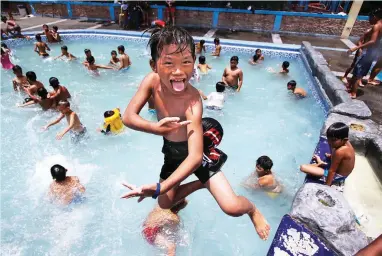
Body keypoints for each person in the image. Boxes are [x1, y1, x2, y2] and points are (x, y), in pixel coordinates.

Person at [120, 26, 270, 240]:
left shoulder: (192, 101)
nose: (179, 71)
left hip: (197, 153)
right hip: (172, 152)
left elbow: (194, 156)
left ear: (194, 62)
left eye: (186, 62)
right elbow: (128, 117)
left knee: (232, 207)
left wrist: (160, 186)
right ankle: (202, 184)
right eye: (169, 63)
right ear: (154, 66)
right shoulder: (151, 81)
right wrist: (155, 128)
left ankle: (252, 209)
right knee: (164, 203)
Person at [300, 122, 355, 186]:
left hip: (337, 176)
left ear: (345, 140)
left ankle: (320, 163)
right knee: (333, 144)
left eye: (333, 140)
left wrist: (326, 187)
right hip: (342, 173)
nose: (329, 142)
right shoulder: (345, 142)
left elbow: (332, 171)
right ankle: (322, 162)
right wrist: (332, 155)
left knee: (303, 167)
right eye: (328, 139)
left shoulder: (340, 152)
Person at [347, 9, 382, 99]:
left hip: (369, 53)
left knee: (357, 72)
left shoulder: (377, 26)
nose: (369, 19)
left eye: (370, 17)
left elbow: (372, 41)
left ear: (375, 17)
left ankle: (353, 93)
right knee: (360, 71)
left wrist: (357, 47)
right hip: (373, 53)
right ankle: (351, 89)